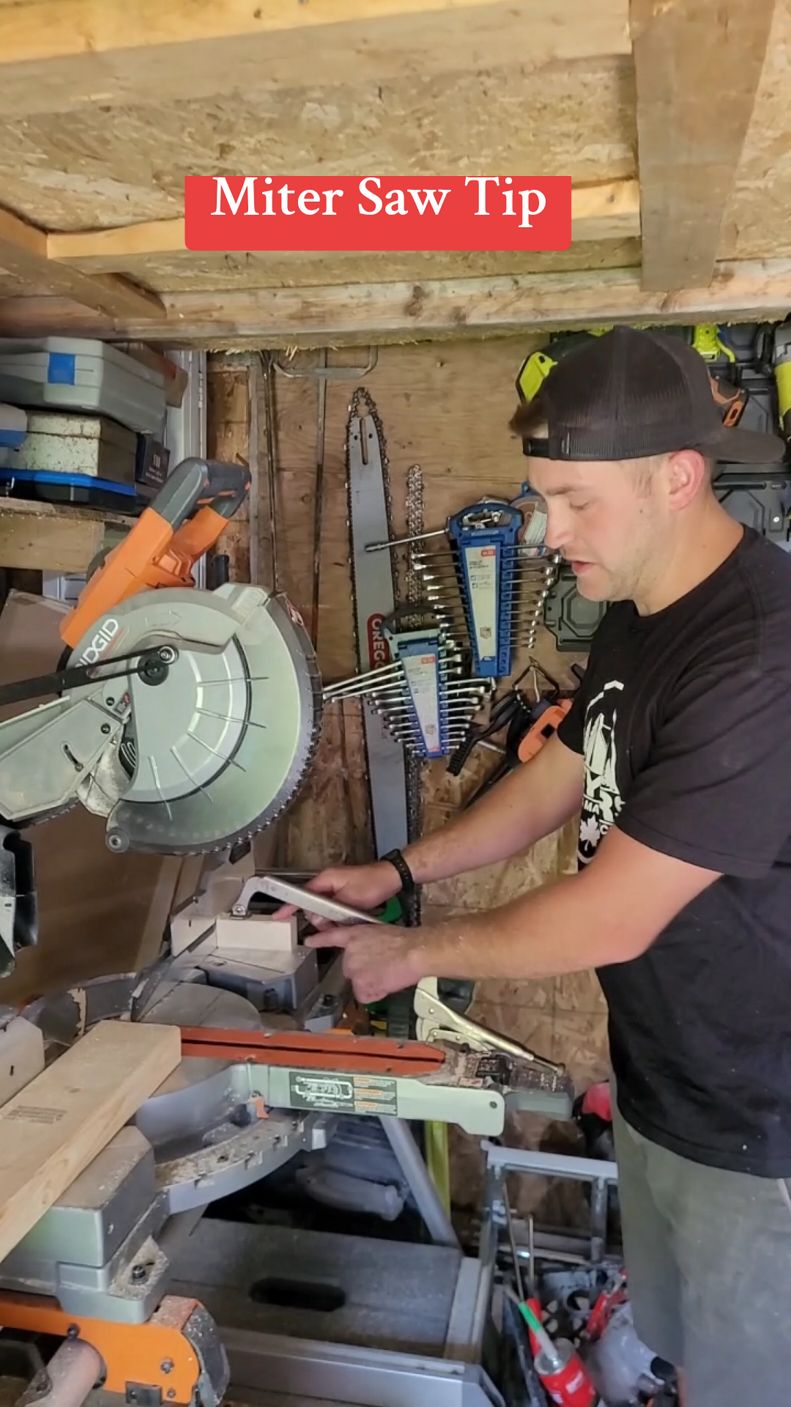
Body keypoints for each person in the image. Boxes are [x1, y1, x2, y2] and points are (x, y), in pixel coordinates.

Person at [283, 326, 791, 1405]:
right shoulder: (639, 611)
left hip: (762, 1129)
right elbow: (560, 770)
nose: (544, 533)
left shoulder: (757, 654)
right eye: (539, 498)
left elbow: (613, 917)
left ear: (675, 476)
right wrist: (397, 874)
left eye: (573, 501)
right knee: (694, 1355)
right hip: (667, 1085)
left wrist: (409, 952)